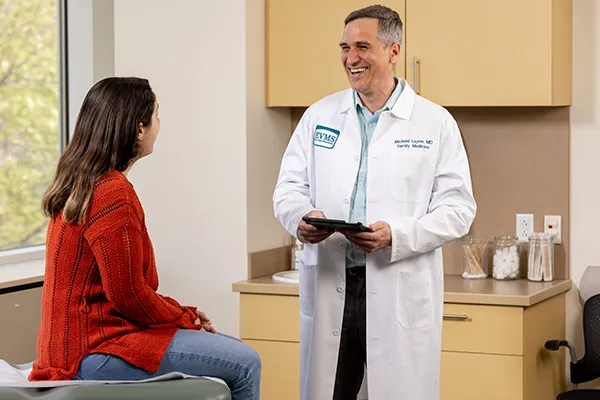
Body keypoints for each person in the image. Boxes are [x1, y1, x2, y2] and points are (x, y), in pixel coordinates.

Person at [273, 5, 476, 400]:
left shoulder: (434, 123)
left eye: (362, 46)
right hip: (335, 281)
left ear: (393, 51)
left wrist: (395, 235)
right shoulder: (319, 116)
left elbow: (458, 209)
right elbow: (287, 190)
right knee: (333, 391)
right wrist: (301, 218)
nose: (351, 58)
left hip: (396, 285)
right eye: (345, 47)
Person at [29, 77, 261, 400]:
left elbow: (122, 294)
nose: (159, 124)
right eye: (157, 115)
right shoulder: (112, 194)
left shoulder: (77, 183)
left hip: (68, 350)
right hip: (93, 354)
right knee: (247, 363)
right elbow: (129, 297)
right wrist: (185, 317)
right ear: (139, 129)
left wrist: (184, 313)